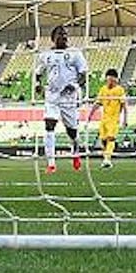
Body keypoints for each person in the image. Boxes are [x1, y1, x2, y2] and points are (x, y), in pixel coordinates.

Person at [37, 26, 90, 173]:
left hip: (69, 98)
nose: (64, 37)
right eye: (61, 34)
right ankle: (51, 163)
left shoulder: (75, 53)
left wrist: (75, 86)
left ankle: (76, 152)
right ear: (53, 38)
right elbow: (38, 72)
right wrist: (38, 85)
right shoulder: (45, 55)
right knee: (49, 125)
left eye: (65, 34)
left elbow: (83, 74)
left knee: (71, 131)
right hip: (52, 96)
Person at [95, 68, 127, 167]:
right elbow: (98, 103)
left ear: (115, 80)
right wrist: (90, 115)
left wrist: (125, 119)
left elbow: (124, 106)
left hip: (114, 119)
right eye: (108, 79)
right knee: (103, 140)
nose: (109, 82)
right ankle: (106, 158)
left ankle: (107, 159)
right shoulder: (103, 89)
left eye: (111, 80)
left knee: (111, 138)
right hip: (104, 119)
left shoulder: (119, 90)